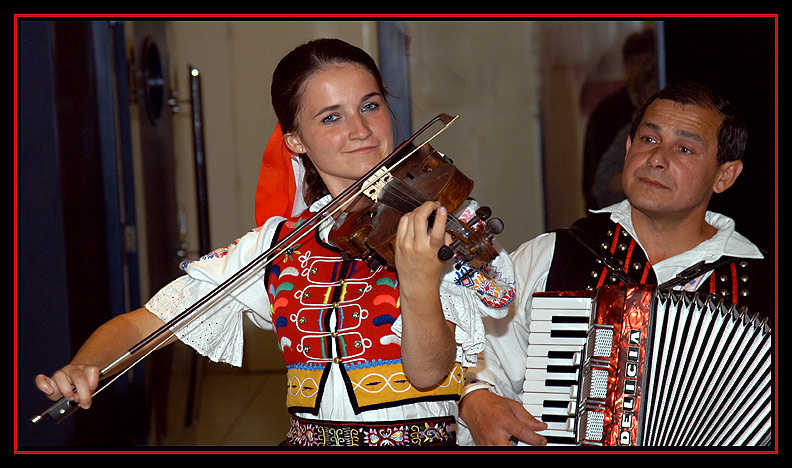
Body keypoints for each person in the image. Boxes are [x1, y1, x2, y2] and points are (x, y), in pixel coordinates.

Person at [35, 38, 515, 447]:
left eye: (370, 105)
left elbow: (429, 374)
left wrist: (419, 283)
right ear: (296, 141)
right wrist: (85, 365)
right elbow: (146, 322)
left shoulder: (440, 224)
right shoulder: (278, 244)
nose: (362, 130)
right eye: (331, 117)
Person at [457, 81, 773, 446]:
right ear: (627, 147)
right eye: (648, 140)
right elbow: (474, 354)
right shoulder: (555, 254)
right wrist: (474, 399)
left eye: (684, 148)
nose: (656, 158)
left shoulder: (762, 283)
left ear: (725, 175)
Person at [582, 29, 657, 211]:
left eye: (646, 61)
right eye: (635, 62)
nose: (639, 68)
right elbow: (598, 181)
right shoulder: (609, 113)